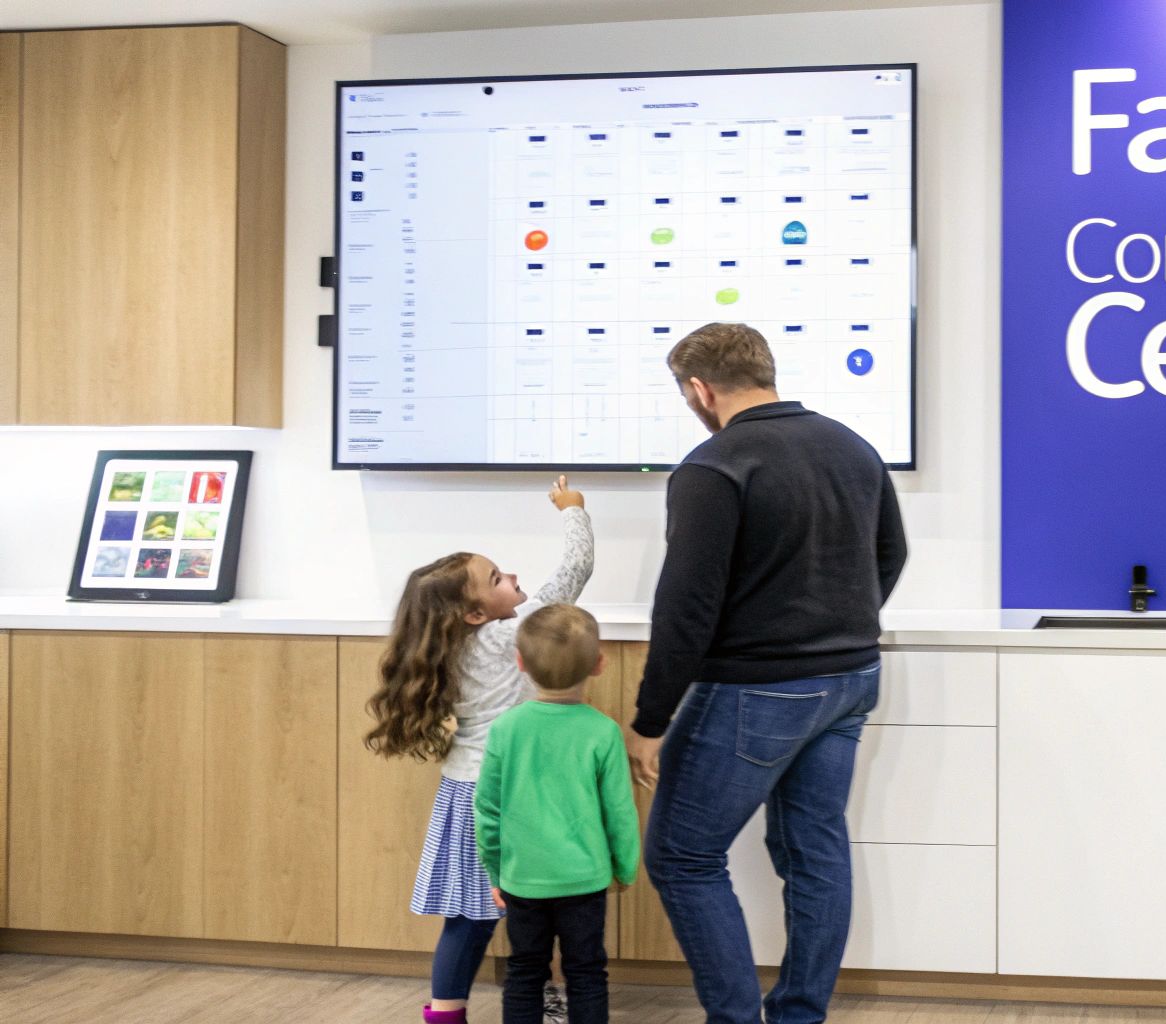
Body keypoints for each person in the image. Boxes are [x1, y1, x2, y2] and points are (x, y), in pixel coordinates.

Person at [627, 322, 909, 1024]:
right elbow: (892, 553)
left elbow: (686, 609)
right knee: (814, 850)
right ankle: (797, 1016)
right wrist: (835, 625)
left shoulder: (712, 465)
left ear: (699, 389)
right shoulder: (853, 446)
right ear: (764, 369)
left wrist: (649, 721)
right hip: (849, 680)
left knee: (682, 858)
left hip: (757, 690)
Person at [364, 477, 593, 1024]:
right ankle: (551, 1002)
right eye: (497, 578)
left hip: (463, 792)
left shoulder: (448, 650)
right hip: (513, 798)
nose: (512, 577)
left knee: (467, 921)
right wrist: (574, 510)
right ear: (473, 613)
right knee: (542, 911)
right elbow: (573, 574)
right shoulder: (500, 638)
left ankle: (446, 1013)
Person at [475, 603, 640, 1024]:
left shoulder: (505, 729)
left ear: (520, 663)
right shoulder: (603, 731)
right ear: (599, 664)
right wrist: (624, 868)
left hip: (522, 878)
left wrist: (495, 870)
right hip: (585, 878)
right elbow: (620, 811)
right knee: (586, 972)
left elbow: (488, 808)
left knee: (524, 971)